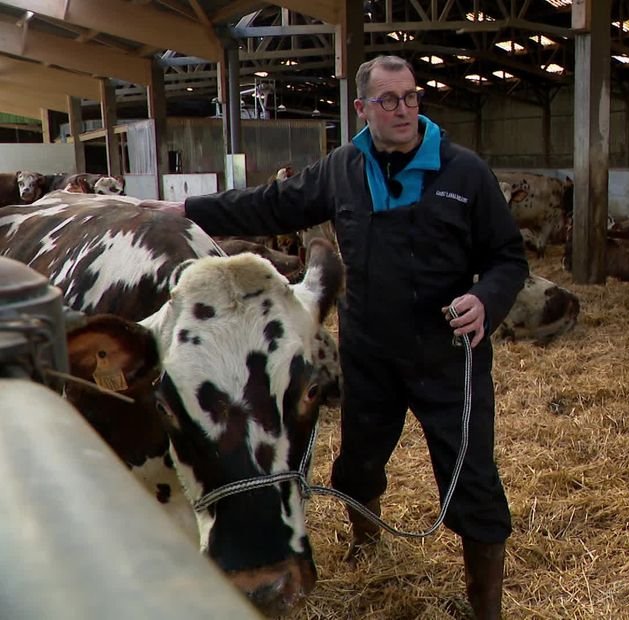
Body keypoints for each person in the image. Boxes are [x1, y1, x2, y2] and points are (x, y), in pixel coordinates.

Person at [140, 55, 528, 619]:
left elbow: (508, 257)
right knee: (358, 465)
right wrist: (190, 209)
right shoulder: (344, 168)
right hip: (369, 352)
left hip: (448, 354)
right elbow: (274, 204)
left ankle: (485, 605)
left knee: (472, 479)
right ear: (362, 108)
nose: (403, 109)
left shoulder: (464, 173)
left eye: (411, 97)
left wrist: (486, 299)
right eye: (389, 100)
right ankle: (367, 546)